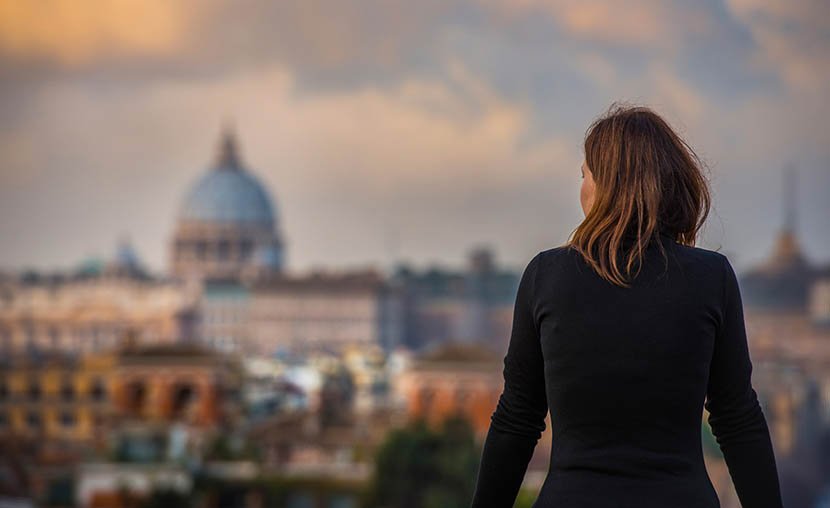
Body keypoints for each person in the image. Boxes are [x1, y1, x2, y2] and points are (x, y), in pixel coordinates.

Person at [469, 103, 783, 508]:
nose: (581, 189)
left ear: (606, 185)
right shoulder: (711, 278)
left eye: (584, 175)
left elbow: (518, 419)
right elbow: (737, 418)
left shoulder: (546, 276)